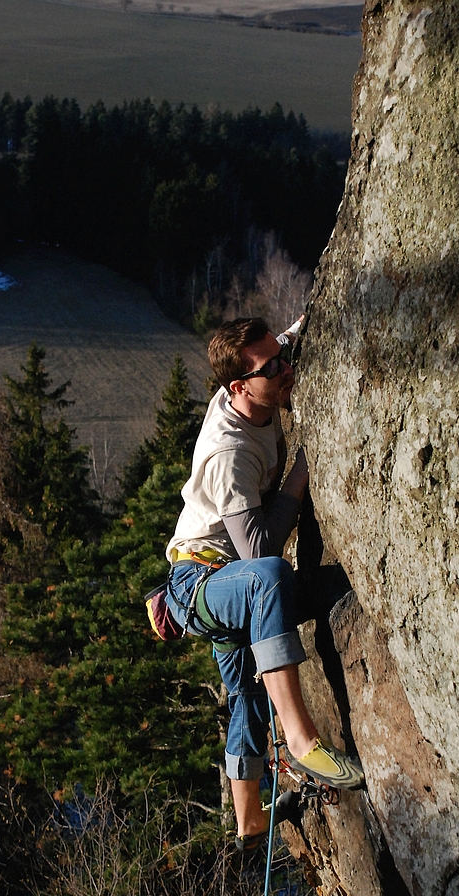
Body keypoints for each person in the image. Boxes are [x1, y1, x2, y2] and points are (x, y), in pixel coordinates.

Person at [164, 316, 364, 849]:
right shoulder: (230, 454)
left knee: (247, 696)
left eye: (283, 357)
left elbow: (282, 342)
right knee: (269, 577)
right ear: (238, 387)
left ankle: (248, 820)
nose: (285, 370)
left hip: (220, 579)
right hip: (202, 585)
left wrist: (294, 334)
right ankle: (301, 740)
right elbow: (258, 550)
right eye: (270, 367)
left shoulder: (253, 384)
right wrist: (300, 474)